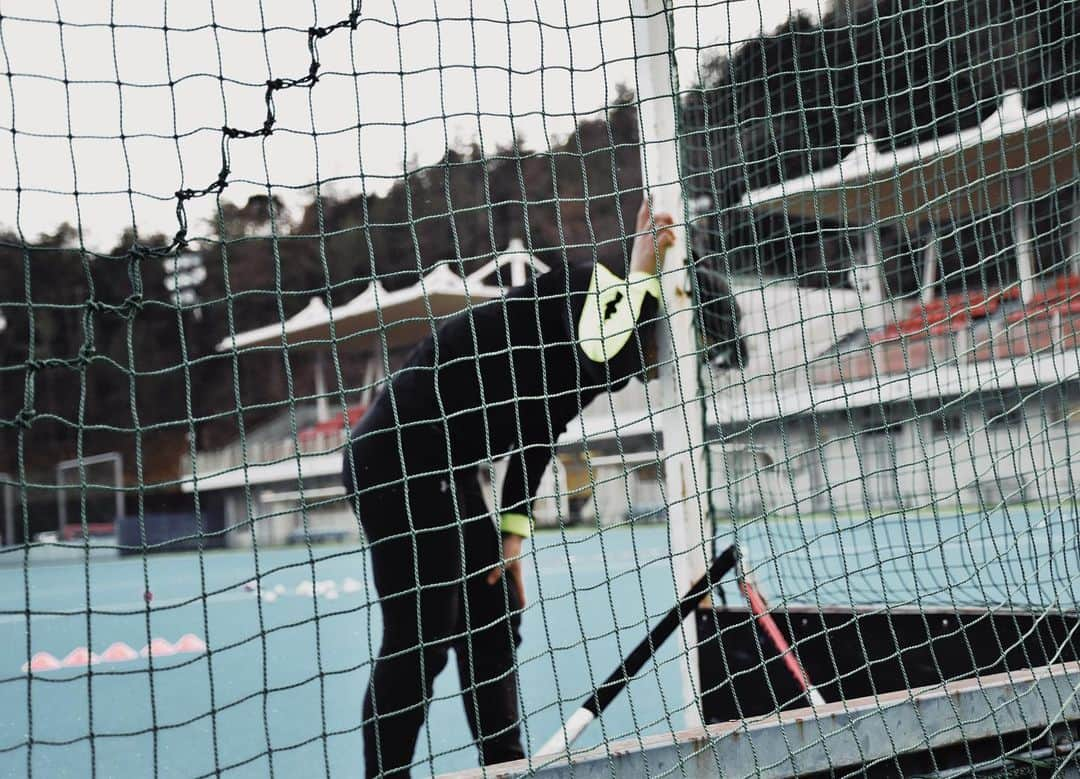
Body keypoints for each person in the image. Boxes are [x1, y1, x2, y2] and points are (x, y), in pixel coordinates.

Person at [343, 198, 744, 777]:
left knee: (496, 607)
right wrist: (641, 272)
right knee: (422, 635)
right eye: (688, 347)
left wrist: (511, 539)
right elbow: (598, 343)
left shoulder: (613, 340)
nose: (671, 367)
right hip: (393, 462)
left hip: (448, 472)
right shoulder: (590, 292)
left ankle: (504, 765)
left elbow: (540, 426)